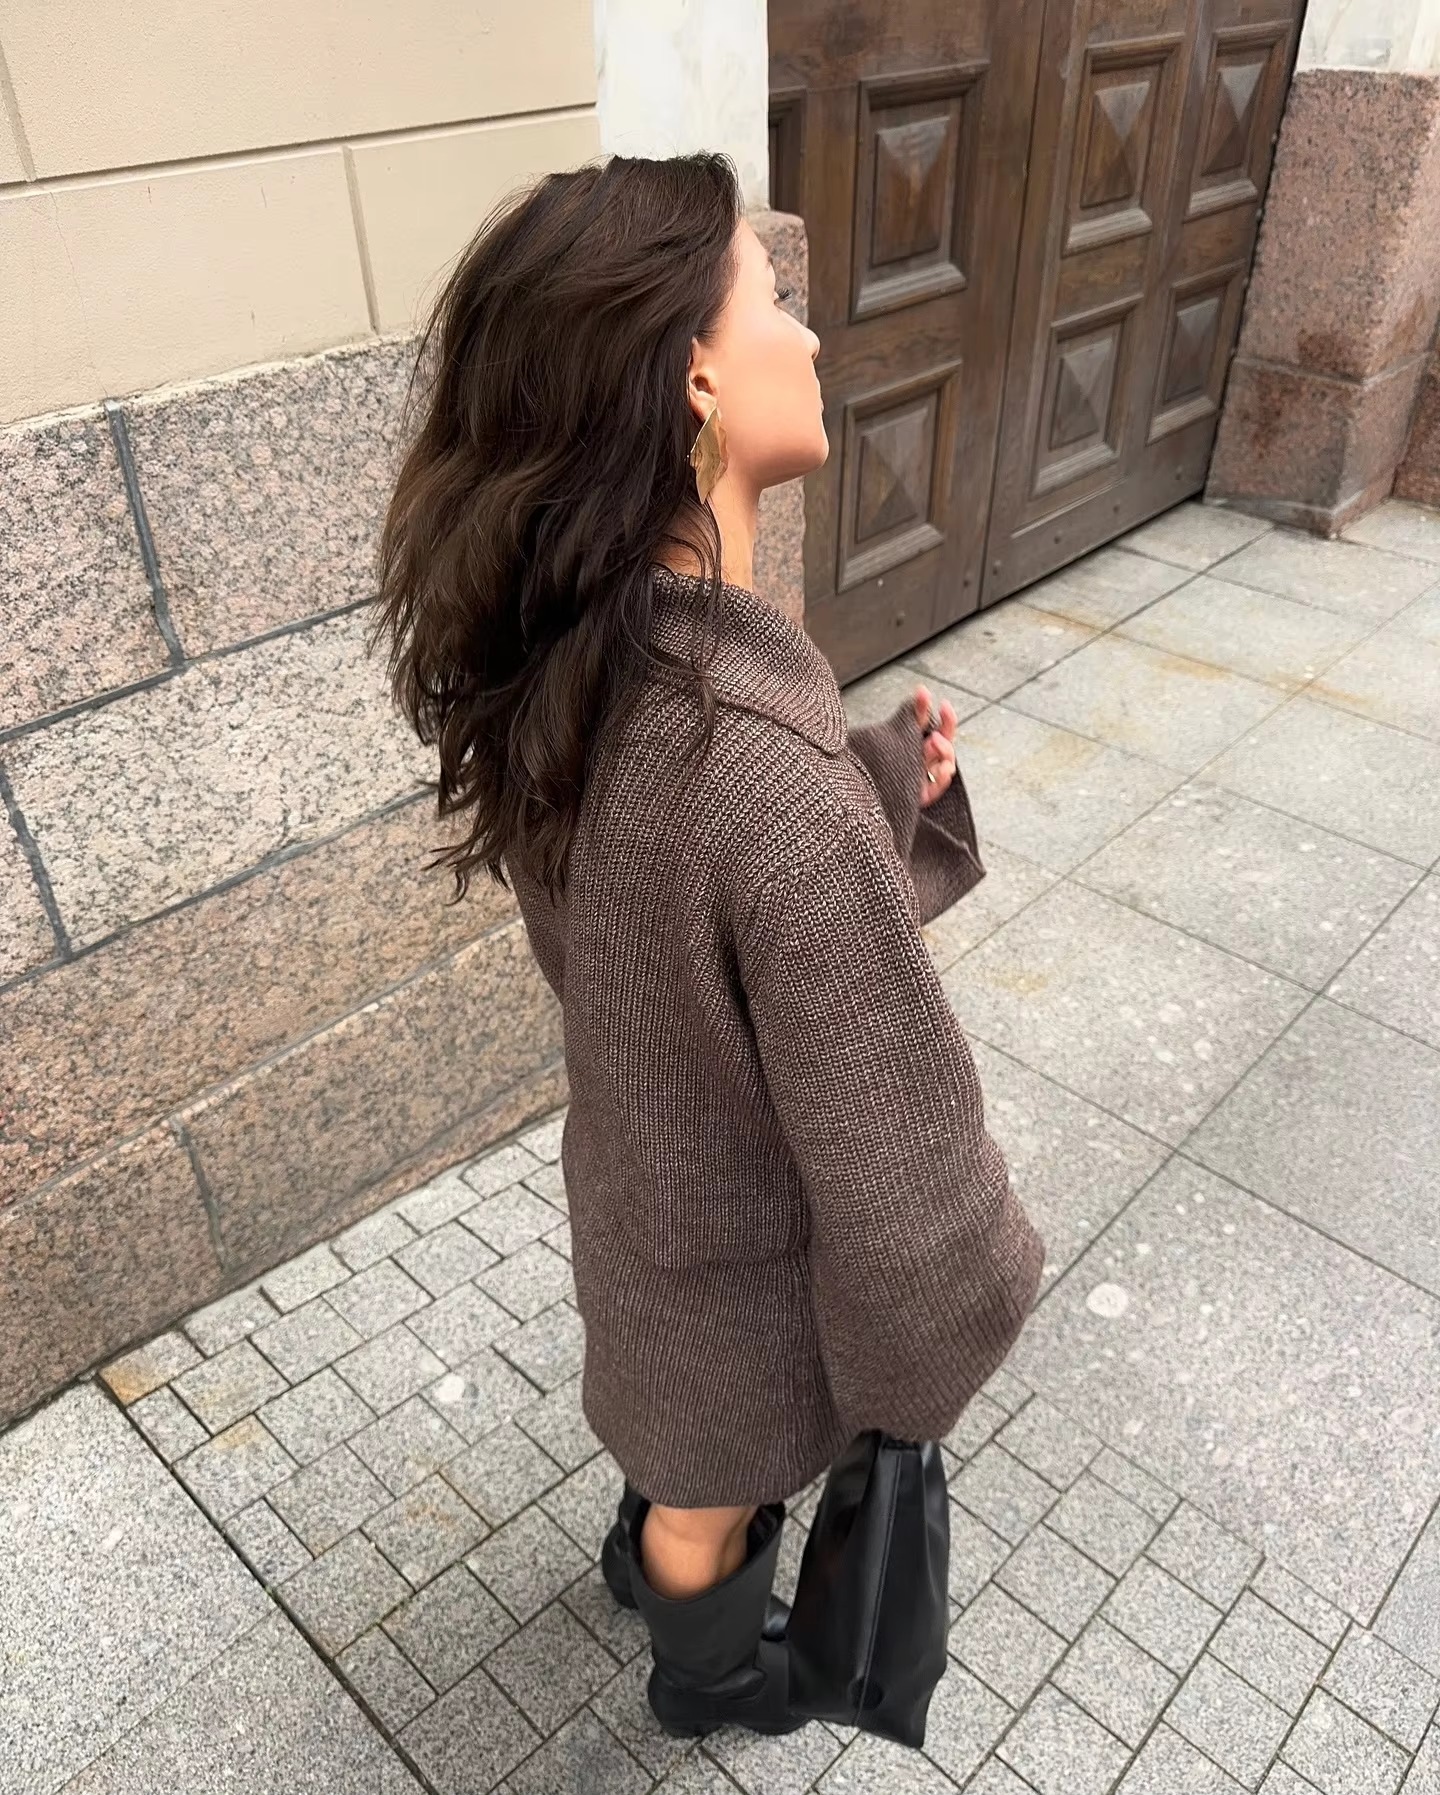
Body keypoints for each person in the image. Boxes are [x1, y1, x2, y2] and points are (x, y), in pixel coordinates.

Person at [373, 152, 1044, 1743]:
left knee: (675, 1458)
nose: (809, 335)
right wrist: (960, 1306)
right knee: (711, 1493)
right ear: (695, 380)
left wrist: (868, 782)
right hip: (743, 1261)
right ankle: (710, 1673)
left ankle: (657, 1559)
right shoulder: (753, 764)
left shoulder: (582, 678)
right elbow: (899, 1169)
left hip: (641, 1197)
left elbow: (670, 906)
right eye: (775, 301)